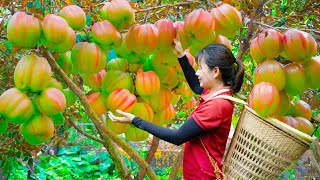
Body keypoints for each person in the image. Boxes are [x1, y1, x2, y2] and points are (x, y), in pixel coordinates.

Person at [108, 39, 244, 179]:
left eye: (201, 69)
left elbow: (177, 137)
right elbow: (197, 87)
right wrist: (181, 56)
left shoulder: (217, 105)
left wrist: (135, 120)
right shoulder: (218, 93)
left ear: (215, 71)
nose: (197, 73)